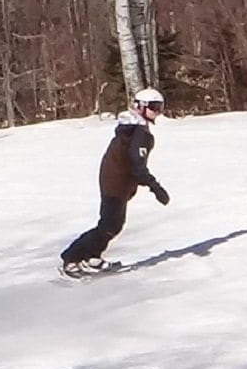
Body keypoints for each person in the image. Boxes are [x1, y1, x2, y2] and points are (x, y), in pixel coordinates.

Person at [60, 88, 169, 276]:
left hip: (115, 178)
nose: (157, 111)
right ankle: (72, 258)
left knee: (112, 223)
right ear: (140, 107)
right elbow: (138, 165)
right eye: (154, 106)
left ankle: (92, 257)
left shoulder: (133, 128)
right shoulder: (139, 133)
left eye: (160, 106)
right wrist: (156, 188)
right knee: (110, 224)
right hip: (116, 181)